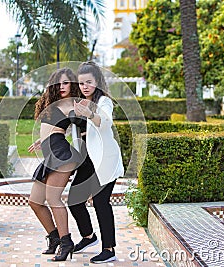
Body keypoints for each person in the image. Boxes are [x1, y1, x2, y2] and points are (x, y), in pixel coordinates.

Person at [68, 61, 124, 264]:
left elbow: (105, 122)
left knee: (101, 202)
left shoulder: (103, 102)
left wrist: (90, 114)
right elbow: (72, 129)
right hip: (86, 162)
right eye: (81, 83)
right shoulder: (80, 102)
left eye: (89, 82)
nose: (84, 87)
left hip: (104, 160)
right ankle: (89, 236)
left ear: (97, 81)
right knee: (74, 201)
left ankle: (109, 249)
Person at [28, 68, 82, 261]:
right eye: (58, 83)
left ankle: (66, 242)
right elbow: (53, 128)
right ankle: (55, 238)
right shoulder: (52, 103)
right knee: (35, 202)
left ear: (72, 84)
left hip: (63, 155)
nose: (61, 86)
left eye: (66, 83)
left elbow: (83, 126)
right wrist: (43, 141)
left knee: (53, 199)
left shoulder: (73, 103)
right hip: (51, 153)